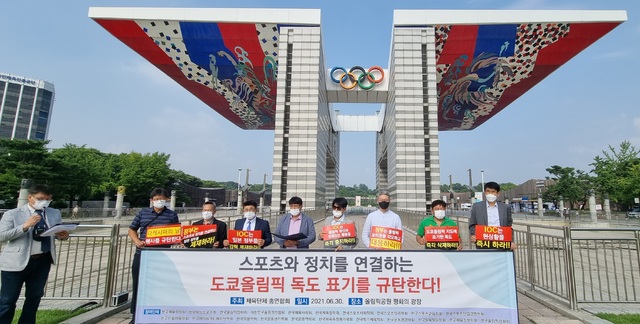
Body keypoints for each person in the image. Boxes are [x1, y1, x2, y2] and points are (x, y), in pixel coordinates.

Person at [0, 184, 70, 324]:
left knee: (34, 297)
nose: (44, 202)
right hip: (16, 263)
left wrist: (63, 235)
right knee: (8, 300)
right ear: (30, 197)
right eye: (40, 199)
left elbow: (56, 232)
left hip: (42, 261)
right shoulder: (13, 214)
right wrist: (25, 226)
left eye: (48, 199)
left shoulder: (53, 213)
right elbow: (2, 236)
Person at [128, 188, 180, 323]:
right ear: (151, 201)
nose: (159, 202)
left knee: (160, 285)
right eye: (156, 199)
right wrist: (137, 241)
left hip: (162, 256)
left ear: (167, 200)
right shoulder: (142, 213)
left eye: (162, 199)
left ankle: (157, 315)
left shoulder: (171, 215)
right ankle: (136, 316)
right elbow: (132, 229)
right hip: (143, 254)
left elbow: (176, 234)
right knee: (138, 285)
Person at [468, 181, 516, 250]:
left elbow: (509, 226)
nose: (490, 194)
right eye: (488, 191)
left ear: (498, 194)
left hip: (501, 243)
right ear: (485, 192)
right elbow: (472, 224)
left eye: (493, 191)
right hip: (483, 243)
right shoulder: (476, 207)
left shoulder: (506, 207)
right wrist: (474, 235)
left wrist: (511, 241)